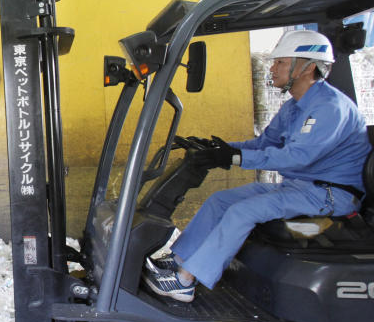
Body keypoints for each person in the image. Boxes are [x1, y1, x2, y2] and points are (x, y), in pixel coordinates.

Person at [143, 29, 371, 303]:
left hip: (330, 195)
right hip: (302, 188)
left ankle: (184, 281)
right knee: (221, 200)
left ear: (308, 67)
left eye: (281, 63)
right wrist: (223, 149)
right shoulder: (294, 107)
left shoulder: (329, 108)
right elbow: (266, 143)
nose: (272, 68)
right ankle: (179, 260)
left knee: (243, 211)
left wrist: (234, 159)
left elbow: (296, 157)